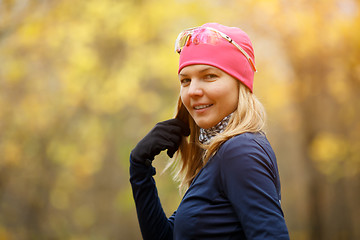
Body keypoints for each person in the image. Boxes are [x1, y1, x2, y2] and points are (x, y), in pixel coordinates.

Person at [129, 22, 289, 240]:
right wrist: (140, 167)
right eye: (185, 80)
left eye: (209, 76)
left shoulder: (240, 151)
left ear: (240, 84)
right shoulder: (218, 155)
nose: (193, 90)